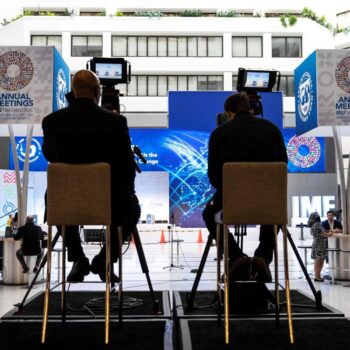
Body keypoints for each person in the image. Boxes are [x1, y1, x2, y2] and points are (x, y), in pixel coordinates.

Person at [42, 69, 140, 282]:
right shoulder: (116, 122)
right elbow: (126, 164)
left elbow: (50, 155)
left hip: (65, 201)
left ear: (73, 92)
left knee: (54, 203)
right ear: (98, 91)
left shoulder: (51, 122)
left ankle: (78, 258)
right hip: (109, 201)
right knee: (133, 208)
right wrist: (129, 192)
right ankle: (105, 259)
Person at [203, 91, 288, 282]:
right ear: (250, 109)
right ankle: (263, 257)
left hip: (231, 201)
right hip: (268, 203)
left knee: (209, 214)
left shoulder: (219, 133)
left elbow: (214, 177)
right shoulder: (272, 129)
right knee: (274, 213)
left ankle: (236, 257)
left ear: (229, 113)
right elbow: (283, 165)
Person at [308, 212, 332, 282]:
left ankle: (317, 276)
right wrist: (329, 234)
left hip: (317, 244)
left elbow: (322, 231)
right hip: (320, 245)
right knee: (320, 261)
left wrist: (329, 231)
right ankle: (317, 277)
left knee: (317, 261)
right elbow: (323, 234)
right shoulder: (317, 224)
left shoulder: (313, 224)